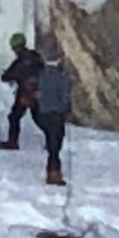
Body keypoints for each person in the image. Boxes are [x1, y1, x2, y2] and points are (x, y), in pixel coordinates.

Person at [0, 33, 44, 150]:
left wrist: (5, 75)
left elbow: (9, 75)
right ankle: (52, 139)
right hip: (38, 92)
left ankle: (13, 142)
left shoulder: (19, 61)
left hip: (24, 93)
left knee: (14, 117)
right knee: (39, 118)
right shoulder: (35, 57)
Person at [34, 53, 73, 187]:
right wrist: (67, 109)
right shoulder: (62, 76)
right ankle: (54, 173)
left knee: (52, 142)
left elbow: (38, 93)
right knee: (56, 145)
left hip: (44, 112)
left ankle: (52, 171)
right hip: (57, 113)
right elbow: (65, 95)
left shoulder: (41, 75)